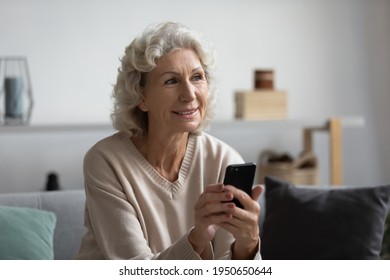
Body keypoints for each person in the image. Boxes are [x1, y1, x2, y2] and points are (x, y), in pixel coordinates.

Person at [75, 21, 263, 260]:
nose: (189, 94)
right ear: (141, 97)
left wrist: (247, 246)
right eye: (171, 81)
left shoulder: (224, 160)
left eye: (197, 77)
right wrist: (197, 239)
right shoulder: (106, 161)